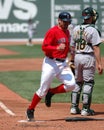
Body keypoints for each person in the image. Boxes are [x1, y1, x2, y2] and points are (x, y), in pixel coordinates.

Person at [26, 11, 76, 121]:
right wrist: (56, 48)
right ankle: (30, 109)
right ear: (59, 20)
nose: (67, 24)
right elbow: (44, 47)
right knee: (43, 90)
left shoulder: (67, 32)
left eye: (68, 22)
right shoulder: (52, 32)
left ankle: (51, 92)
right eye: (64, 22)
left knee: (72, 85)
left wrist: (71, 57)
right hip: (50, 63)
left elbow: (66, 47)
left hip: (63, 63)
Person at [70, 7, 103, 116]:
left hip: (77, 57)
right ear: (92, 17)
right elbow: (96, 48)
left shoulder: (75, 28)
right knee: (88, 82)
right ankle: (85, 109)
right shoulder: (93, 29)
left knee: (78, 82)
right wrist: (100, 63)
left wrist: (72, 59)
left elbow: (72, 46)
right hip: (88, 57)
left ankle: (74, 108)